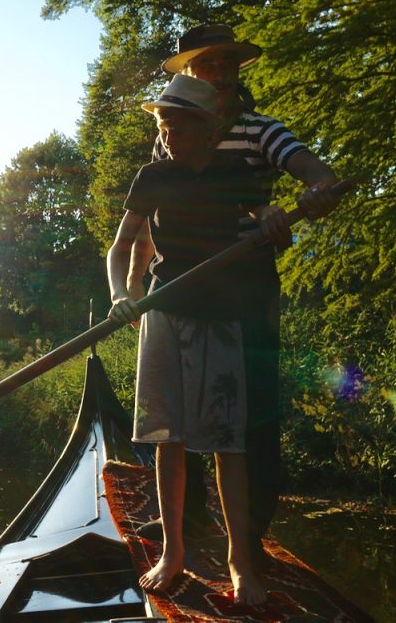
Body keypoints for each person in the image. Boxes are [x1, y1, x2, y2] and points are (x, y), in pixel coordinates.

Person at [127, 24, 340, 570]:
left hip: (242, 290)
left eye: (228, 64)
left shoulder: (261, 130)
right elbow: (153, 220)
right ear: (192, 74)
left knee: (246, 415)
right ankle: (185, 528)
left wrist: (304, 199)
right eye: (208, 65)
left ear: (238, 71)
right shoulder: (168, 134)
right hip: (175, 292)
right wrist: (134, 286)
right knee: (172, 420)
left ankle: (247, 541)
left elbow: (317, 177)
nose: (220, 72)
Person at [108, 73, 272, 604]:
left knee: (229, 443)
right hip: (163, 312)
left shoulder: (234, 172)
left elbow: (263, 213)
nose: (167, 129)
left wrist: (273, 217)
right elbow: (120, 248)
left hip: (219, 316)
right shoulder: (153, 175)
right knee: (167, 437)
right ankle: (173, 552)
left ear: (206, 126)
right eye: (163, 120)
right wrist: (119, 294)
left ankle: (240, 563)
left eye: (176, 120)